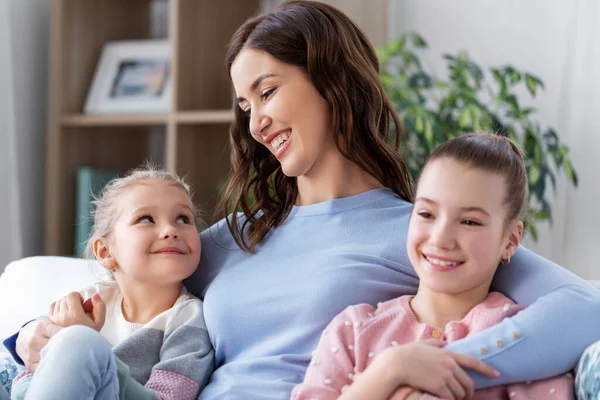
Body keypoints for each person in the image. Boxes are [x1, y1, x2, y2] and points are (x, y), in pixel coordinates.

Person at [5, 1, 600, 399]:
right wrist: (31, 335)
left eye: (267, 91)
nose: (257, 122)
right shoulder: (235, 236)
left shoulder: (423, 234)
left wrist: (441, 363)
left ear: (331, 80)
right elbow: (113, 282)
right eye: (245, 105)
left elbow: (584, 307)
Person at [292, 133, 575, 399]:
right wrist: (389, 370)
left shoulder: (524, 337)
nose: (440, 238)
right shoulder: (353, 330)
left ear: (511, 239)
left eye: (470, 221)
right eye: (427, 213)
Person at [9, 166, 214, 399]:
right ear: (105, 251)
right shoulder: (89, 299)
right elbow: (29, 369)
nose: (170, 230)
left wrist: (88, 345)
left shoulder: (188, 320)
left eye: (182, 219)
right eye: (146, 219)